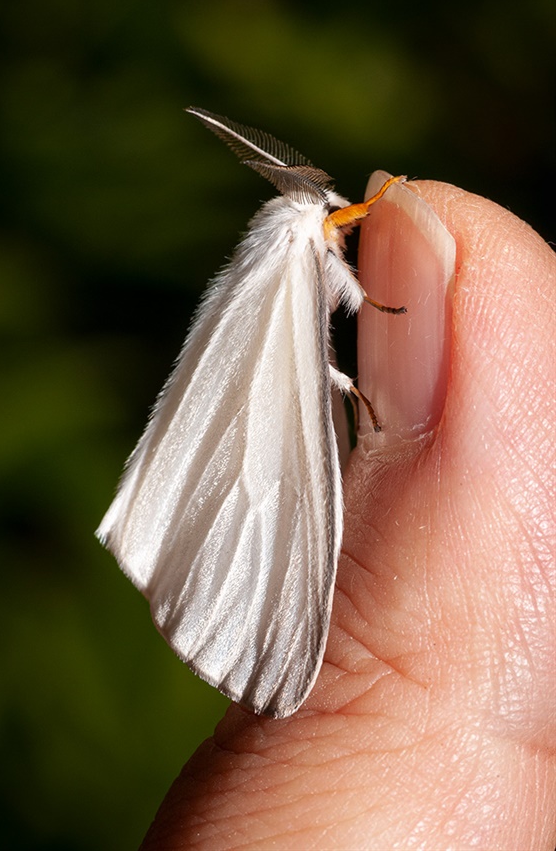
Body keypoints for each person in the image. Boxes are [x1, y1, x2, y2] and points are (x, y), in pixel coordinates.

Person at [140, 180, 555, 850]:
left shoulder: (287, 251)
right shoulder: (293, 252)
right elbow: (326, 305)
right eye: (335, 218)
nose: (339, 222)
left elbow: (325, 302)